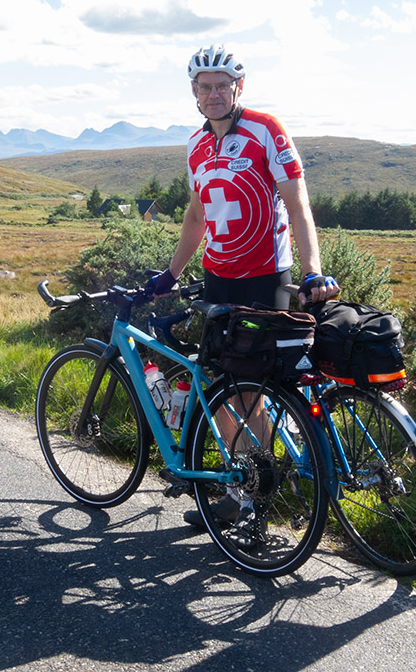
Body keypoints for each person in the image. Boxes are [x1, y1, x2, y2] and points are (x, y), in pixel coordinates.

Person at [149, 43, 340, 531]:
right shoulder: (196, 145)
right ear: (193, 91)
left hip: (264, 277)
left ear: (238, 87)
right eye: (203, 86)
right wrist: (171, 274)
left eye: (221, 85)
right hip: (219, 279)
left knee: (252, 391)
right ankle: (241, 490)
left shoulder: (266, 130)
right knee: (220, 385)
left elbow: (298, 205)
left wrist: (313, 269)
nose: (212, 94)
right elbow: (197, 215)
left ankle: (260, 501)